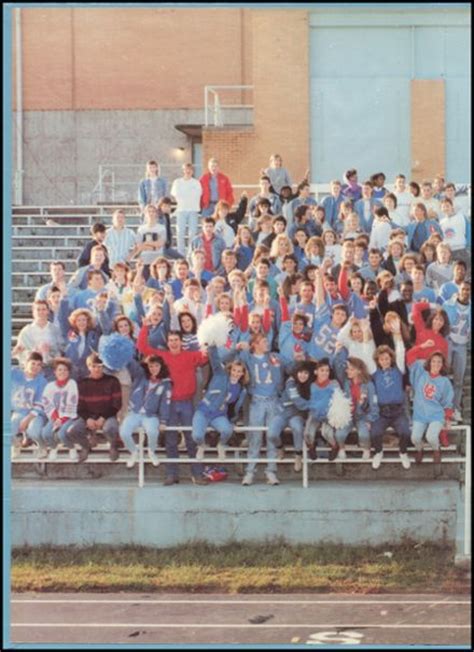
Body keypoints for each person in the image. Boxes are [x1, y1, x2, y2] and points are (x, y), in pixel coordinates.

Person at [137, 327, 209, 485]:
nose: (174, 343)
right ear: (167, 343)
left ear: (181, 342)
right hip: (168, 404)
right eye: (171, 340)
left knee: (192, 439)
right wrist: (144, 327)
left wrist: (209, 337)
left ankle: (197, 474)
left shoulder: (191, 356)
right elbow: (142, 347)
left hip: (187, 403)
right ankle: (172, 474)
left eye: (176, 340)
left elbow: (206, 355)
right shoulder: (162, 356)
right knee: (170, 440)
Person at [237, 334, 283, 486]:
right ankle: (250, 472)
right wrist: (238, 346)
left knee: (271, 436)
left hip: (273, 401)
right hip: (257, 401)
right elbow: (231, 358)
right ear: (255, 344)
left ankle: (271, 471)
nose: (267, 343)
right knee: (255, 437)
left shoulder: (274, 357)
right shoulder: (248, 358)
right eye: (263, 342)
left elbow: (291, 366)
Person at [192, 345, 248, 460]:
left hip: (218, 415)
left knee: (227, 430)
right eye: (234, 370)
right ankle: (202, 446)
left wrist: (232, 420)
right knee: (197, 436)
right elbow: (214, 358)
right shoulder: (220, 374)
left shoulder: (240, 389)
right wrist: (212, 345)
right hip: (203, 411)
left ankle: (221, 445)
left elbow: (235, 408)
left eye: (239, 372)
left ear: (243, 374)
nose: (236, 373)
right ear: (230, 369)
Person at [119, 354, 172, 468]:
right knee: (124, 432)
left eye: (156, 366)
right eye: (151, 366)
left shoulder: (165, 383)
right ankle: (134, 452)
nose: (153, 369)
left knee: (153, 432)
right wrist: (123, 351)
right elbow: (131, 363)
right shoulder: (141, 376)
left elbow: (165, 403)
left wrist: (163, 421)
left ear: (161, 366)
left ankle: (151, 451)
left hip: (150, 415)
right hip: (135, 412)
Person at [68, 353, 122, 462]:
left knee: (110, 428)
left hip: (107, 415)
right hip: (89, 415)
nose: (97, 369)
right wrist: (88, 418)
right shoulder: (83, 383)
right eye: (93, 366)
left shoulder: (112, 381)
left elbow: (117, 404)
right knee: (73, 431)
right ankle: (86, 446)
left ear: (103, 366)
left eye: (100, 366)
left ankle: (113, 445)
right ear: (88, 367)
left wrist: (103, 417)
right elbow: (79, 406)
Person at [267, 361, 314, 473]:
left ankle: (298, 455)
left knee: (297, 428)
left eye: (306, 373)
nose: (303, 375)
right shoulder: (290, 382)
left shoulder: (310, 384)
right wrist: (312, 405)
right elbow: (297, 400)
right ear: (296, 373)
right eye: (300, 372)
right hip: (283, 413)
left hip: (297, 414)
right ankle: (280, 447)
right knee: (272, 434)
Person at [370, 344, 411, 470]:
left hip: (397, 411)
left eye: (387, 358)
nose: (385, 361)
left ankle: (403, 452)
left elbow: (400, 350)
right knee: (375, 433)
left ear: (391, 359)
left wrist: (397, 334)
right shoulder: (375, 374)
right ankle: (378, 452)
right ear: (378, 361)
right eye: (382, 359)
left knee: (405, 432)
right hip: (382, 412)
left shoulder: (398, 370)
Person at [408, 353, 454, 464]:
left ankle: (436, 449)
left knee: (431, 437)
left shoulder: (445, 381)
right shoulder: (421, 375)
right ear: (429, 362)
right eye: (434, 361)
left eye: (439, 362)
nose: (436, 364)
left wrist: (447, 419)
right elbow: (410, 357)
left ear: (442, 365)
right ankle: (419, 450)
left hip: (436, 415)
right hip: (420, 414)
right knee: (415, 438)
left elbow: (448, 401)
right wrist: (422, 347)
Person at [333, 357, 379, 461]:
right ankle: (341, 448)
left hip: (362, 416)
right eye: (348, 369)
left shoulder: (369, 385)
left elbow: (374, 404)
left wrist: (369, 419)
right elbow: (337, 365)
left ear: (359, 370)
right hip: (348, 416)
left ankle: (367, 449)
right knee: (339, 434)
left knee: (364, 435)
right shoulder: (346, 383)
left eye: (351, 369)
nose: (347, 371)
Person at [40, 357, 80, 461]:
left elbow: (72, 402)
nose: (62, 372)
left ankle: (71, 448)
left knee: (62, 433)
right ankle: (53, 448)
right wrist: (56, 418)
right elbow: (46, 402)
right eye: (60, 370)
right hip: (55, 416)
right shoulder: (50, 386)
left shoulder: (72, 383)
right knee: (46, 433)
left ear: (69, 372)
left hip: (68, 416)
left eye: (65, 370)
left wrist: (62, 420)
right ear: (55, 372)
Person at [442, 281, 471, 422]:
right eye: (463, 289)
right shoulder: (448, 304)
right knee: (443, 376)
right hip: (449, 342)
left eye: (468, 290)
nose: (465, 292)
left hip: (462, 344)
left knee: (459, 380)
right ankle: (443, 407)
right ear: (458, 290)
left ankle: (455, 409)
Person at [11, 352, 48, 459]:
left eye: (39, 364)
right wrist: (14, 352)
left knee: (34, 431)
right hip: (19, 411)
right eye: (33, 363)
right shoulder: (14, 373)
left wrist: (27, 419)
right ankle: (16, 445)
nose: (35, 367)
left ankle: (41, 446)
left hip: (36, 414)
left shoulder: (42, 381)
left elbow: (40, 404)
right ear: (26, 363)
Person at [13, 300, 62, 373]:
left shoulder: (55, 330)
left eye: (43, 309)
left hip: (51, 369)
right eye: (38, 309)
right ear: (33, 312)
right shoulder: (26, 331)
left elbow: (61, 350)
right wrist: (35, 352)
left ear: (48, 311)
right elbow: (20, 352)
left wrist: (48, 353)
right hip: (32, 370)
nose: (41, 312)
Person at [170, 163, 203, 256]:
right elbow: (175, 195)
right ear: (183, 170)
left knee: (192, 233)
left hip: (193, 210)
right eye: (186, 169)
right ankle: (181, 254)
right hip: (181, 210)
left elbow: (198, 195)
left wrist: (185, 195)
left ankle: (190, 254)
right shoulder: (177, 182)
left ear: (192, 171)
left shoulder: (196, 183)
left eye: (190, 170)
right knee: (180, 233)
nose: (188, 171)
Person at [134, 204, 167, 281]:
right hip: (145, 261)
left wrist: (146, 243)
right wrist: (154, 244)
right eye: (149, 211)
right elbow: (139, 245)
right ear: (145, 214)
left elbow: (160, 243)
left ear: (156, 213)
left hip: (158, 261)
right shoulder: (141, 229)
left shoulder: (161, 228)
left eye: (153, 211)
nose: (151, 213)